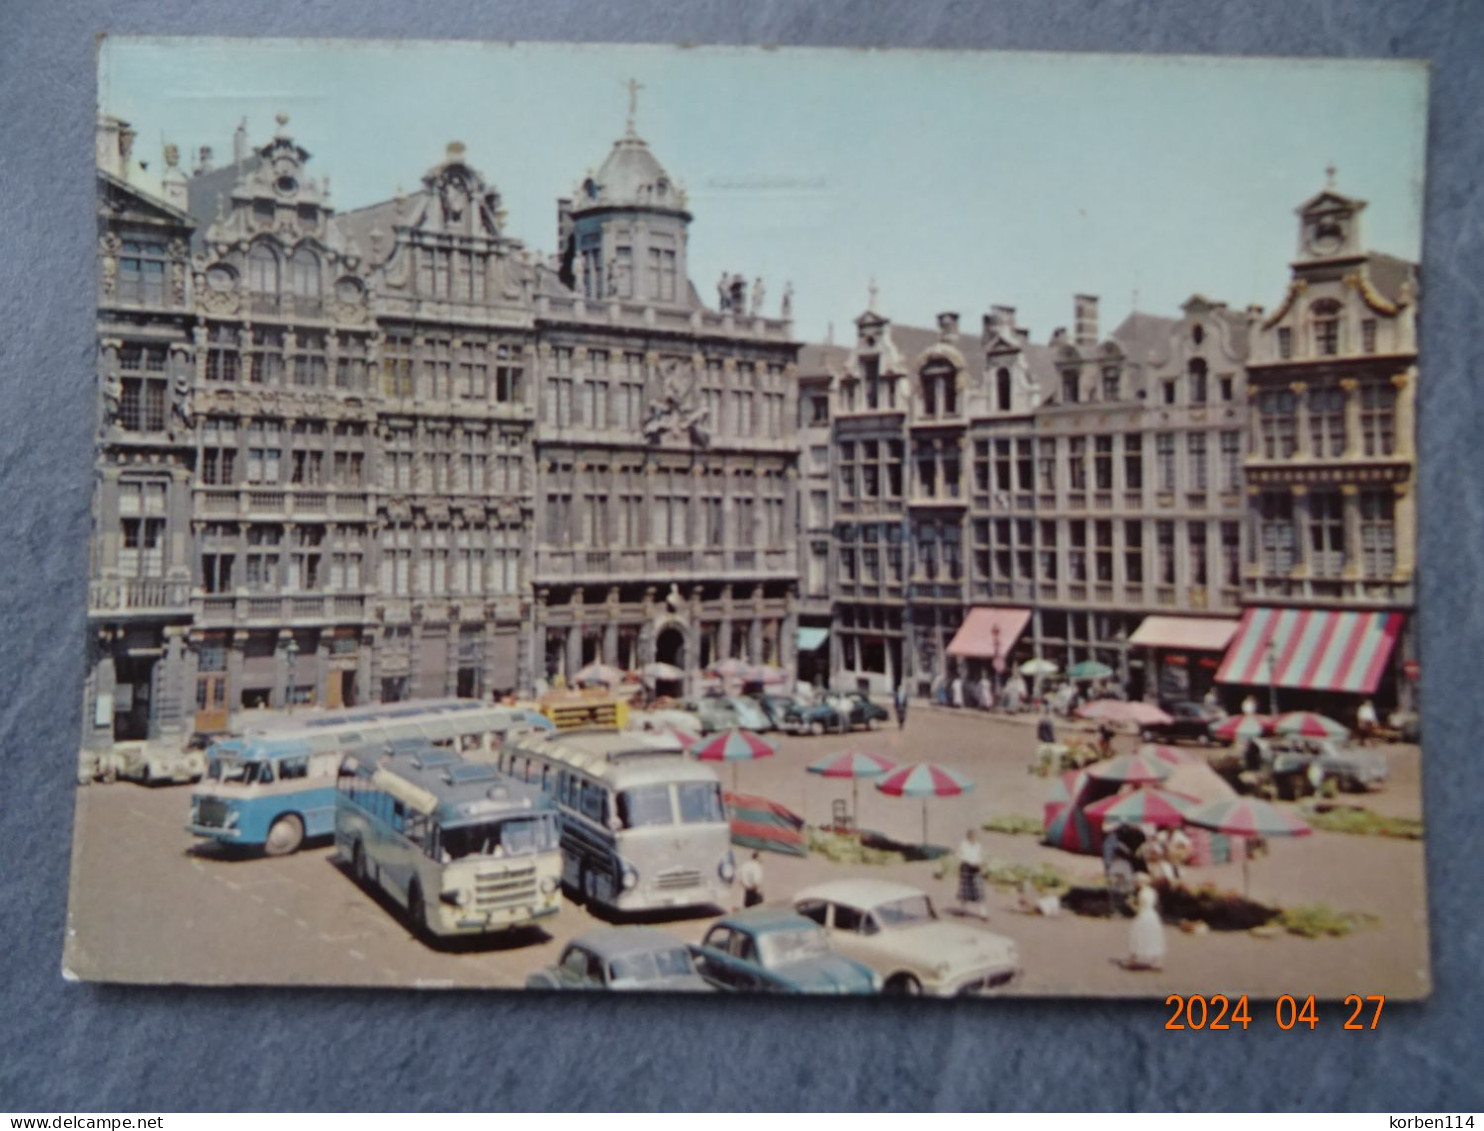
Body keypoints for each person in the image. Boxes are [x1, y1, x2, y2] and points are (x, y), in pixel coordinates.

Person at [1126, 872, 1167, 971]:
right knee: (1153, 937)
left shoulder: (1141, 893)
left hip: (1143, 916)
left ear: (1140, 882)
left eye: (1136, 882)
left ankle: (1133, 960)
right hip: (1153, 916)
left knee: (1138, 937)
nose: (1135, 883)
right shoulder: (1152, 892)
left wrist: (1130, 903)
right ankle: (1157, 961)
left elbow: (1139, 909)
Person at [955, 829, 987, 919]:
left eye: (975, 836)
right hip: (966, 868)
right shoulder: (963, 844)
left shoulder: (978, 846)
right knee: (964, 892)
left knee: (979, 892)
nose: (974, 838)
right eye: (972, 836)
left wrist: (981, 863)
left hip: (976, 869)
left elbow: (980, 856)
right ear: (968, 836)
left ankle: (983, 914)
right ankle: (962, 910)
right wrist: (968, 862)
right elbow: (960, 855)